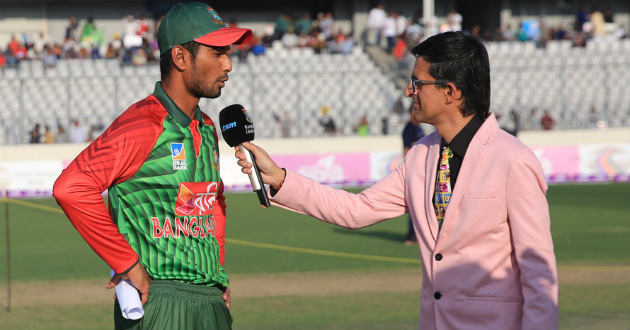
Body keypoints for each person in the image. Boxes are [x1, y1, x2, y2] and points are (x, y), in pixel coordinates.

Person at [233, 31, 558, 330]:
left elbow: (538, 274)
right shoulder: (421, 156)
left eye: (417, 83)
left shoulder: (513, 160)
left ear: (450, 92)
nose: (408, 91)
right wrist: (280, 179)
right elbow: (357, 210)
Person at [53, 3, 252, 330]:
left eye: (228, 52)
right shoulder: (143, 124)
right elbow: (71, 187)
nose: (228, 63)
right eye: (217, 52)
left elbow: (209, 202)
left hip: (210, 302)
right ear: (181, 58)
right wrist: (127, 263)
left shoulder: (206, 128)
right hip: (158, 301)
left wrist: (217, 275)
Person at [401, 106, 424, 245]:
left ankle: (417, 234)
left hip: (421, 169)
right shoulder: (409, 129)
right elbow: (406, 150)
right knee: (415, 203)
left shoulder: (419, 127)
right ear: (411, 112)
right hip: (415, 170)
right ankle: (411, 235)